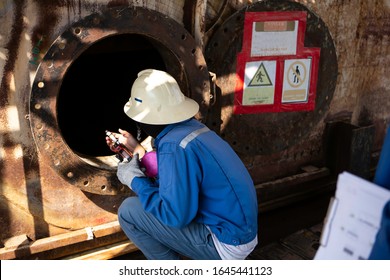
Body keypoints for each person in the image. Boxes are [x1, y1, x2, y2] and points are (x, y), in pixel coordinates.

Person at [106, 69, 258, 260]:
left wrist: (135, 180)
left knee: (129, 211)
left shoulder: (173, 146)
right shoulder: (193, 131)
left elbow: (176, 216)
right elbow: (176, 177)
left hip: (226, 243)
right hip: (241, 232)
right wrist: (138, 151)